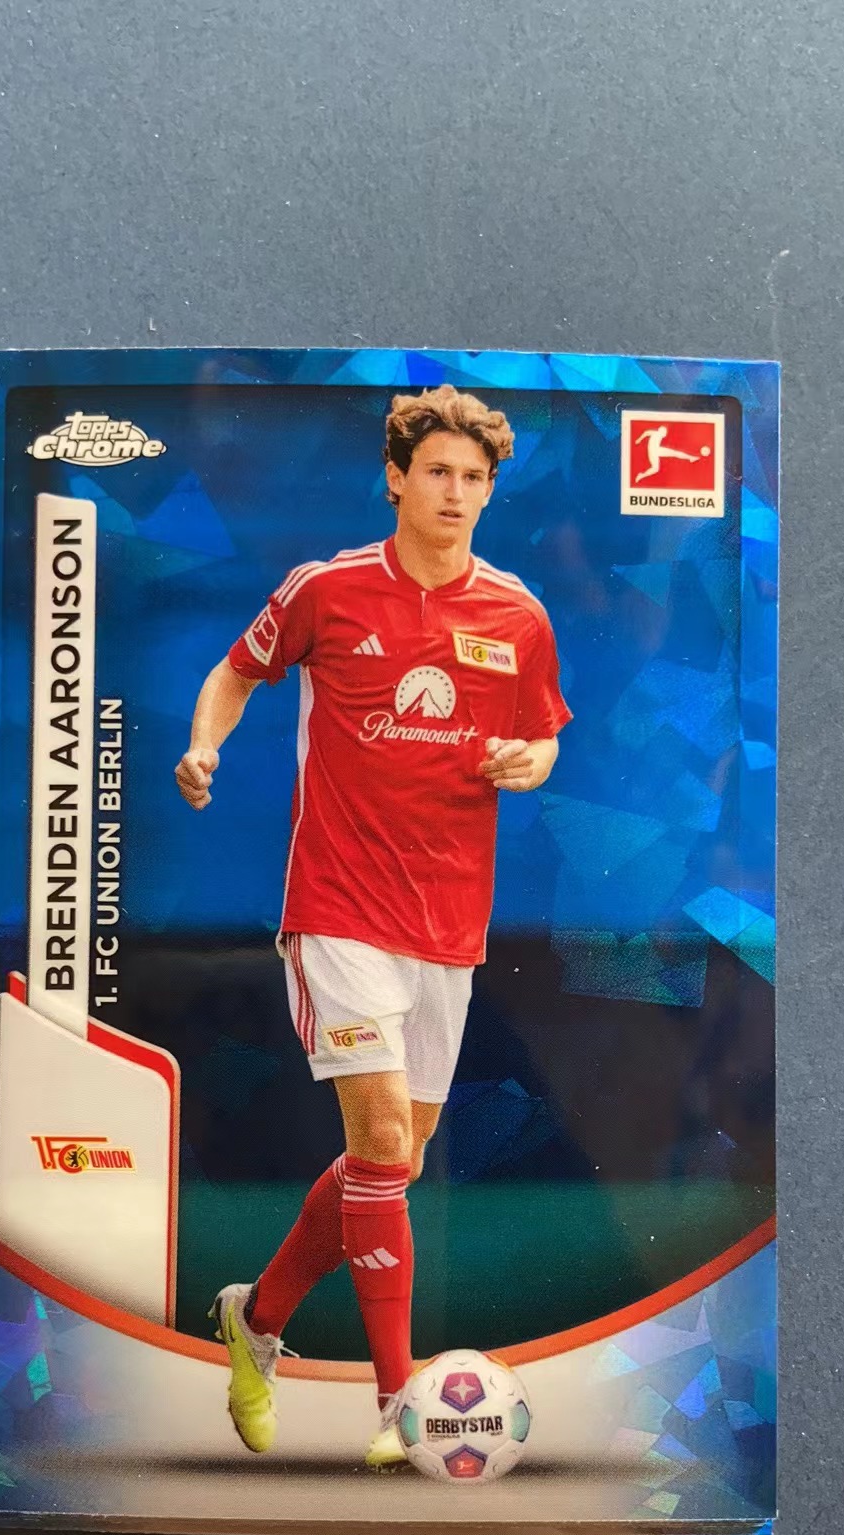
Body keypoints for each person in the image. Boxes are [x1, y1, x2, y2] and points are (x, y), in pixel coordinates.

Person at [175, 384, 571, 1467]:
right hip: (339, 909)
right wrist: (205, 745)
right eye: (437, 471)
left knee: (388, 1160)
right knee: (385, 1144)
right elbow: (235, 672)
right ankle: (400, 1403)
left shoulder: (518, 616)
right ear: (397, 478)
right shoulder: (329, 588)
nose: (455, 492)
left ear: (489, 493)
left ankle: (256, 1319)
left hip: (449, 922)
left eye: (474, 478)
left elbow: (543, 740)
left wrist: (526, 763)